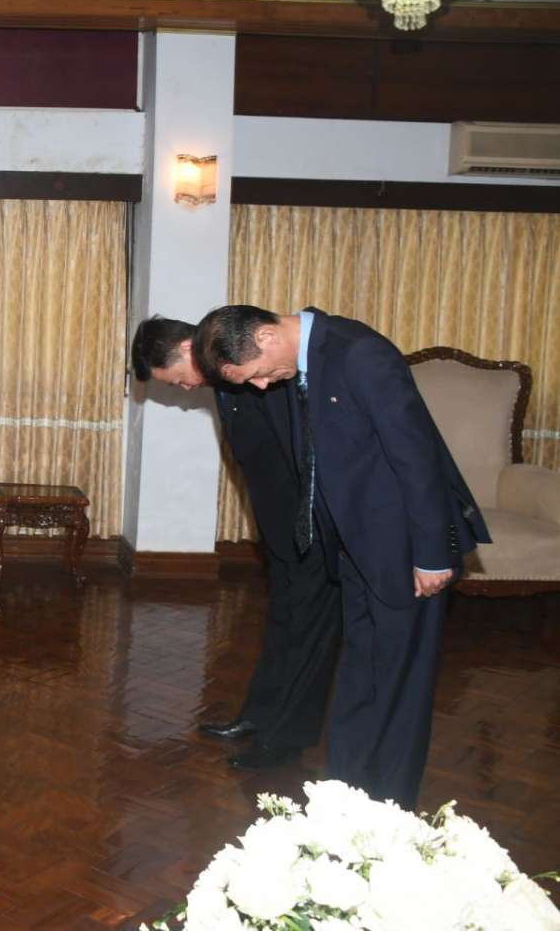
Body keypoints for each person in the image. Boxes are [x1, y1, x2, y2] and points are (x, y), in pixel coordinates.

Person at [192, 305, 488, 809]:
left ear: (266, 337)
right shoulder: (304, 363)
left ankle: (390, 808)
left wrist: (432, 553)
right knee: (359, 674)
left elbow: (416, 456)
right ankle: (345, 794)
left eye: (256, 374)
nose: (261, 386)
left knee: (399, 685)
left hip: (404, 552)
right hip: (353, 549)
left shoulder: (360, 355)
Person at [131, 316, 339, 771]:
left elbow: (306, 454)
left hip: (311, 526)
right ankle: (258, 717)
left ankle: (284, 741)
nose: (185, 389)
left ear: (189, 349)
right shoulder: (229, 379)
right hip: (280, 528)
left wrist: (310, 525)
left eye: (177, 379)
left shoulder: (259, 370)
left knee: (308, 636)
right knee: (282, 625)